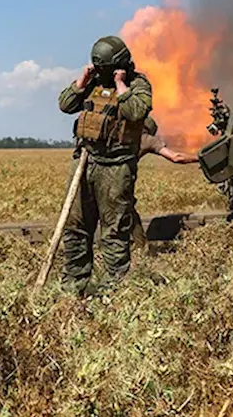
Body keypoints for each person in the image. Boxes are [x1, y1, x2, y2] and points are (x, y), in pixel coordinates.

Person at [56, 35, 153, 297]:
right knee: (76, 225)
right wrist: (82, 81)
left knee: (114, 229)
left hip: (116, 166)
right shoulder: (92, 83)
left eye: (106, 69)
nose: (103, 73)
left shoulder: (138, 84)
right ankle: (75, 283)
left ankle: (114, 289)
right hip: (84, 161)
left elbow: (136, 111)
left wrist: (121, 84)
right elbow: (65, 105)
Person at [129, 116, 198, 249]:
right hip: (121, 181)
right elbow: (176, 157)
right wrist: (198, 158)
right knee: (126, 210)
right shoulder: (147, 139)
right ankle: (139, 248)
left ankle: (138, 246)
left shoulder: (122, 135)